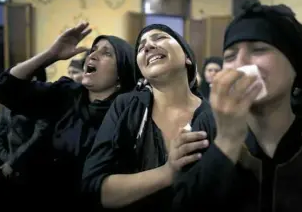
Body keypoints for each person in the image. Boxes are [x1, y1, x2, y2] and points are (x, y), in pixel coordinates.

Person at [172, 2, 302, 212]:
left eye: (259, 50)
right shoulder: (204, 129)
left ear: (296, 66)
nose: (241, 63)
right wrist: (227, 140)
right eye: (229, 56)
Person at [0, 22, 136, 210]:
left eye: (106, 53)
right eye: (93, 50)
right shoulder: (66, 93)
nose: (92, 54)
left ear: (121, 73)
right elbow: (4, 89)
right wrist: (51, 55)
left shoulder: (130, 114)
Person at [82, 24, 215, 211]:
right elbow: (94, 188)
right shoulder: (126, 107)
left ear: (187, 57)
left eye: (159, 38)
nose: (148, 46)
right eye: (141, 46)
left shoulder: (214, 117)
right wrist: (167, 172)